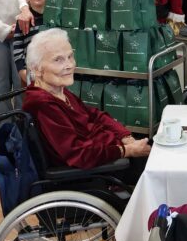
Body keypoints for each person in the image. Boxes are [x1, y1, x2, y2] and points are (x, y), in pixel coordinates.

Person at [22, 29, 151, 169]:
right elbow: (78, 154)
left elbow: (95, 115)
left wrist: (125, 137)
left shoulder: (59, 91)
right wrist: (128, 150)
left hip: (108, 147)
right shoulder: (43, 105)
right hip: (92, 170)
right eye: (58, 60)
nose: (69, 65)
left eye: (70, 56)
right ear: (36, 69)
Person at [13, 0, 47, 86]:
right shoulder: (22, 20)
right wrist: (21, 70)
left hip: (52, 70)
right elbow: (17, 47)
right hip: (30, 71)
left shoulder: (53, 18)